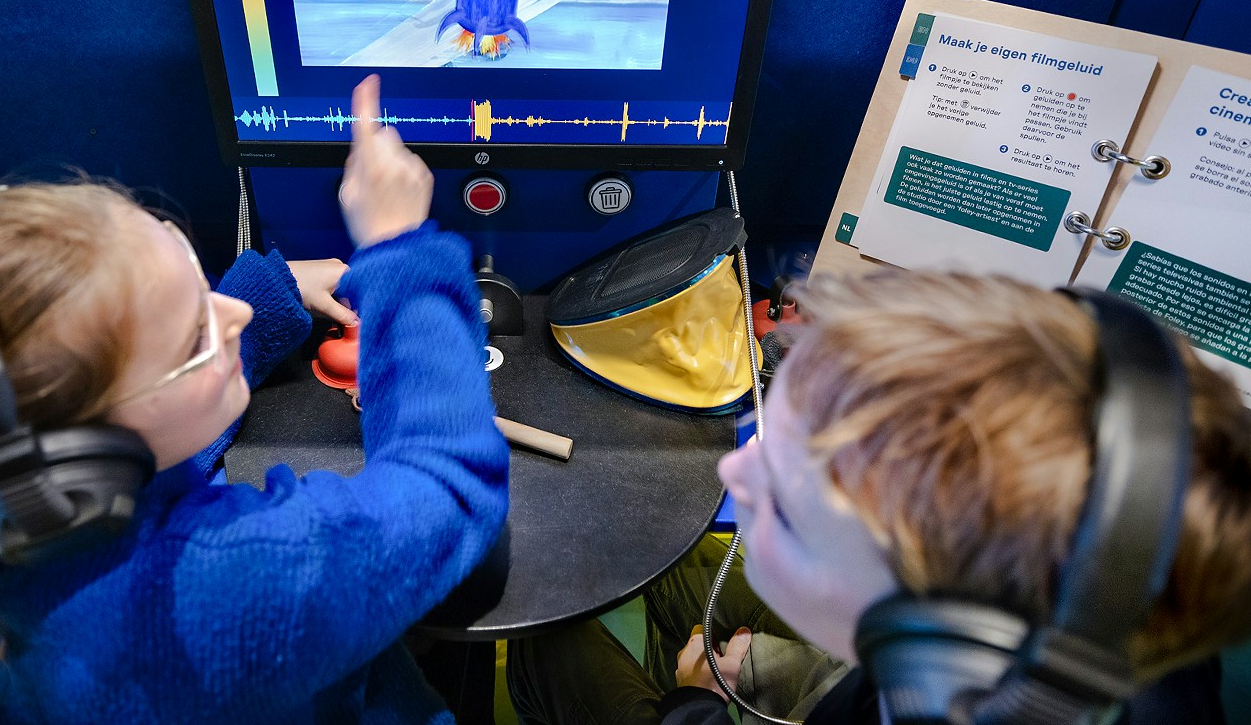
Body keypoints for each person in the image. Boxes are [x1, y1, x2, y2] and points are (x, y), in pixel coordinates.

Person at [0, 74, 511, 723]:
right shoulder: (233, 585)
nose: (228, 312)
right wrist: (399, 249)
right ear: (81, 465)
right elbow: (448, 484)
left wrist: (268, 295)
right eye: (194, 335)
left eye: (186, 264)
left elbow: (145, 429)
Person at [509, 269, 1251, 725]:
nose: (733, 477)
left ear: (937, 650)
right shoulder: (1112, 612)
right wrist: (792, 673)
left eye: (791, 513)